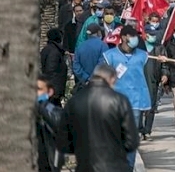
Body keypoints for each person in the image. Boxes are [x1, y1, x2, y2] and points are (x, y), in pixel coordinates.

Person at [60, 64, 139, 172]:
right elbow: (132, 142)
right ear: (111, 79)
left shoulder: (73, 102)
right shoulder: (120, 101)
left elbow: (64, 142)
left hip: (85, 166)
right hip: (116, 166)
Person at [102, 25, 151, 168]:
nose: (135, 39)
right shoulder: (110, 56)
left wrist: (148, 103)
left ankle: (128, 166)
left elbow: (147, 80)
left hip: (136, 103)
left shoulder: (143, 56)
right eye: (132, 36)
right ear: (123, 37)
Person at [36, 75, 64, 172]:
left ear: (49, 92)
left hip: (48, 164)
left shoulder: (52, 111)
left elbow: (58, 123)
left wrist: (41, 106)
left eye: (38, 89)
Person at [72, 23, 109, 88]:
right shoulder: (103, 46)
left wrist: (86, 78)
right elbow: (102, 64)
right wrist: (92, 78)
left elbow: (76, 66)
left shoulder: (80, 47)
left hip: (84, 85)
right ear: (99, 32)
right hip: (99, 85)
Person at [40, 28, 68, 105]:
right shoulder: (54, 52)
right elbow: (50, 70)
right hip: (54, 89)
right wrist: (53, 90)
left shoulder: (50, 49)